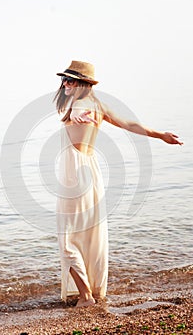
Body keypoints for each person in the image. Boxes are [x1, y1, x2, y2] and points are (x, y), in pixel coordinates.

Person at [54, 60, 183, 308]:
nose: (65, 84)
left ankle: (86, 297)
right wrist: (160, 135)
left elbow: (86, 114)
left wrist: (76, 114)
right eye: (64, 79)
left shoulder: (83, 104)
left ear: (84, 83)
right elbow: (129, 124)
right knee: (85, 235)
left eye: (70, 80)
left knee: (67, 238)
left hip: (75, 177)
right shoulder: (95, 104)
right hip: (89, 173)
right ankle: (88, 292)